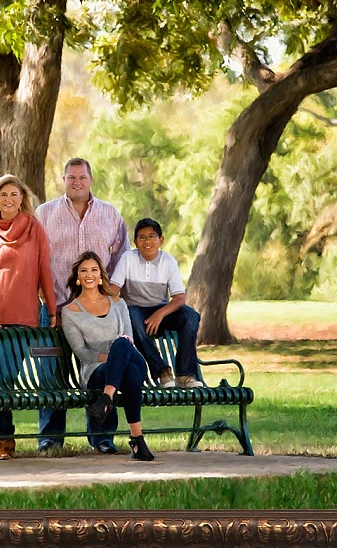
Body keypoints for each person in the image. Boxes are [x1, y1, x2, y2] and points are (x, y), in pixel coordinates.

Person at [36, 157, 131, 454]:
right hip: (55, 307)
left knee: (101, 367)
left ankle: (102, 437)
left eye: (82, 177)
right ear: (63, 180)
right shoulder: (44, 213)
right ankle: (50, 438)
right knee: (52, 373)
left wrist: (112, 290)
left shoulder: (109, 214)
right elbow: (35, 260)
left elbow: (122, 256)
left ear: (91, 180)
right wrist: (47, 300)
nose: (76, 182)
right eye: (71, 177)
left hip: (97, 309)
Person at [0, 174, 58, 461]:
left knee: (6, 378)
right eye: (3, 195)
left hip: (25, 316)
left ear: (22, 198)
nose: (9, 199)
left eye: (14, 194)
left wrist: (53, 308)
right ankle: (1, 440)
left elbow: (45, 271)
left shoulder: (35, 229)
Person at [61, 251, 155, 461]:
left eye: (94, 270)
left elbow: (129, 339)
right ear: (77, 276)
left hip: (131, 358)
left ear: (101, 275)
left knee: (122, 343)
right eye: (84, 270)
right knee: (129, 373)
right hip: (96, 371)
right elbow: (82, 353)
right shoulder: (69, 312)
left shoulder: (118, 303)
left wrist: (116, 355)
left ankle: (105, 399)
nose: (89, 274)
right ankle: (137, 440)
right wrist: (111, 359)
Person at [109, 218, 204, 389]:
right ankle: (162, 372)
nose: (147, 241)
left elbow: (179, 298)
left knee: (191, 316)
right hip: (135, 311)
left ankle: (185, 375)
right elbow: (113, 289)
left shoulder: (168, 262)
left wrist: (159, 314)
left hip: (160, 311)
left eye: (152, 236)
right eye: (142, 237)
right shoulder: (127, 258)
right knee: (131, 315)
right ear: (135, 242)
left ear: (161, 240)